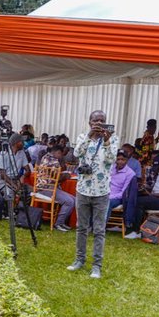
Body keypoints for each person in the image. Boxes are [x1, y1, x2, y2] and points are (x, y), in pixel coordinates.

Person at [67, 112, 117, 276]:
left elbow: (111, 159)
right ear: (89, 122)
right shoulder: (83, 136)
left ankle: (97, 266)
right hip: (83, 189)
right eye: (96, 120)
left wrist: (107, 140)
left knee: (99, 230)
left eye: (102, 120)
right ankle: (79, 260)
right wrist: (89, 136)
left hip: (101, 192)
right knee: (81, 228)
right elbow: (76, 154)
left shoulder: (112, 139)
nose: (99, 123)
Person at [34, 143, 75, 234]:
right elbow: (57, 178)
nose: (61, 156)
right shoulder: (53, 161)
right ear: (57, 152)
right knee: (70, 201)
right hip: (46, 189)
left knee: (73, 199)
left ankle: (61, 222)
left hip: (44, 187)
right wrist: (66, 175)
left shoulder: (45, 157)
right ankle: (58, 224)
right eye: (61, 154)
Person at [105, 150, 139, 233]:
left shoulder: (130, 173)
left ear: (127, 160)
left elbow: (124, 192)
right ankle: (89, 224)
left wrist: (110, 196)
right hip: (105, 193)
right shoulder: (111, 168)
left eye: (122, 159)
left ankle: (100, 227)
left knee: (107, 202)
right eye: (118, 159)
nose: (120, 161)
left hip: (119, 197)